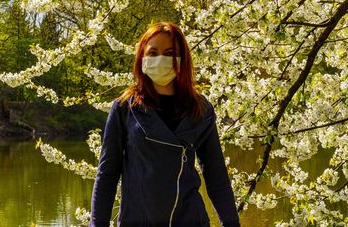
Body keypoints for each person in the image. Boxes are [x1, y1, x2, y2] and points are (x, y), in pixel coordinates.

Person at [89, 22, 240, 227]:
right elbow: (107, 175)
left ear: (182, 59)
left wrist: (231, 224)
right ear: (142, 58)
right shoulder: (125, 108)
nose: (161, 59)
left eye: (170, 53)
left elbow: (216, 175)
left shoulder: (201, 110)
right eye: (153, 53)